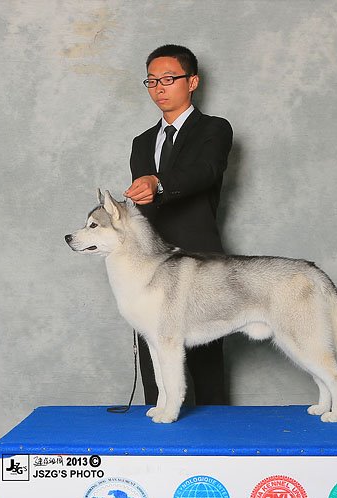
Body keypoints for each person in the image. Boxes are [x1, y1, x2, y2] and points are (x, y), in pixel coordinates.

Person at [124, 44, 233, 408]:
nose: (159, 88)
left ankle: (217, 430)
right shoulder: (141, 142)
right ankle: (158, 421)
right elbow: (142, 208)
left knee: (206, 362)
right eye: (152, 81)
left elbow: (205, 172)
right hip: (150, 266)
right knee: (154, 355)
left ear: (192, 82)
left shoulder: (214, 129)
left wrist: (158, 183)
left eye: (168, 79)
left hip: (200, 263)